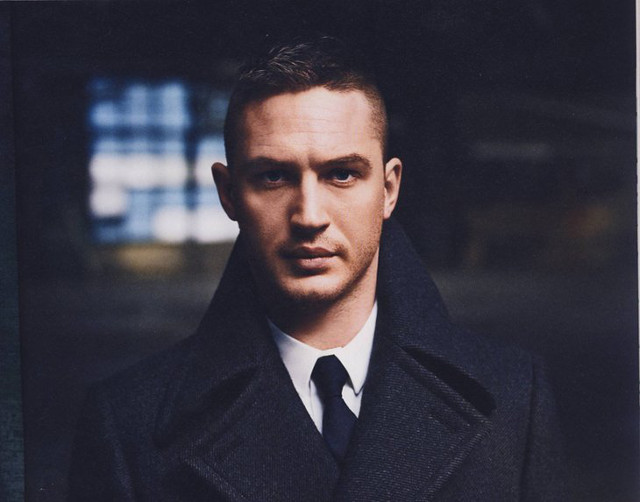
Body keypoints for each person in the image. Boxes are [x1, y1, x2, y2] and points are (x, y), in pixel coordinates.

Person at [69, 36, 565, 501]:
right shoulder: (126, 424)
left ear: (388, 189)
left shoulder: (514, 396)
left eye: (342, 174)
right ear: (229, 194)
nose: (309, 216)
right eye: (273, 177)